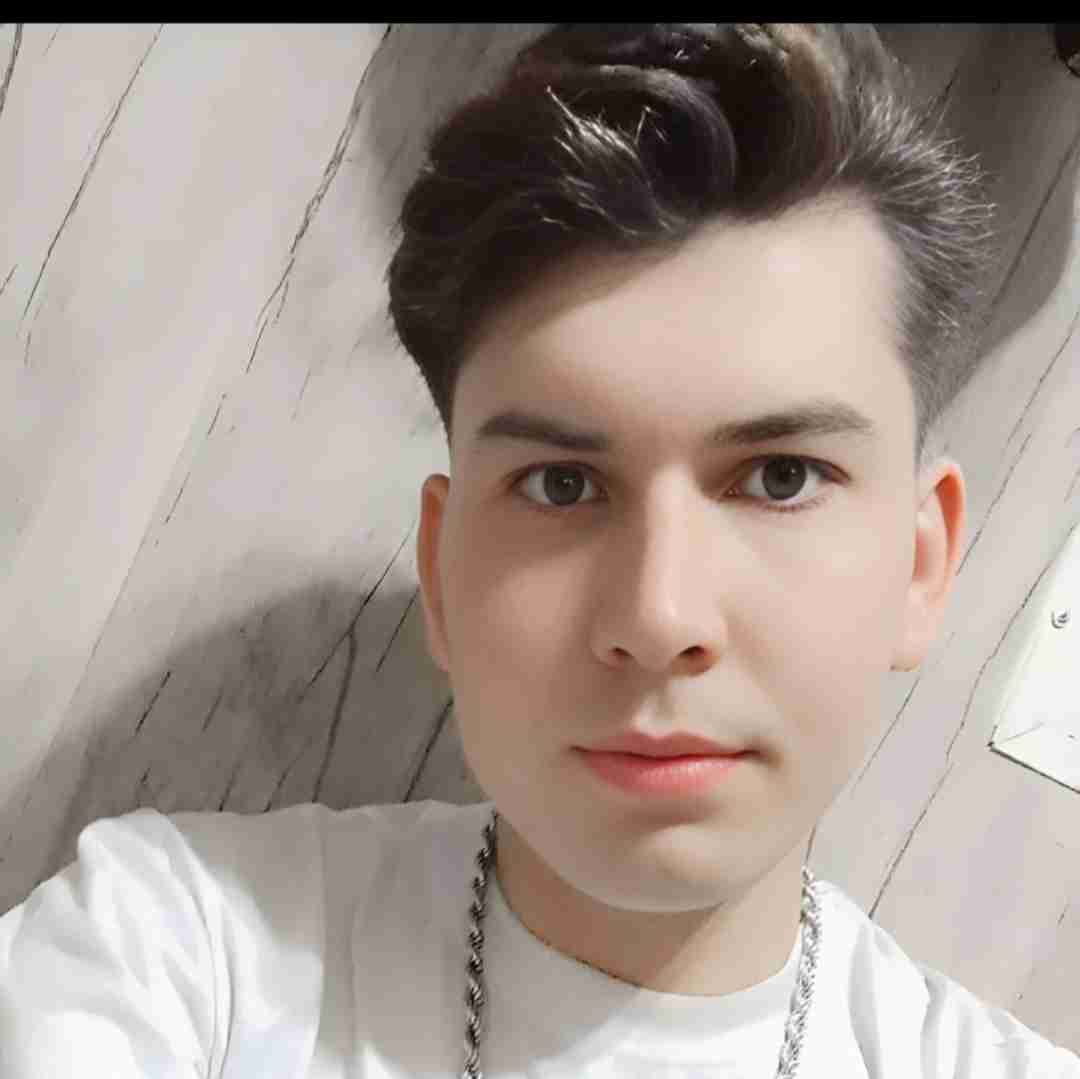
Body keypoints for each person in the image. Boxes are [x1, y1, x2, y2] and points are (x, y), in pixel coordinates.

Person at [1, 23, 1077, 1078]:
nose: (659, 615)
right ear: (440, 570)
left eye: (781, 476)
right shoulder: (167, 954)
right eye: (562, 483)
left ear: (921, 563)